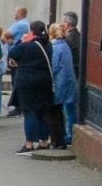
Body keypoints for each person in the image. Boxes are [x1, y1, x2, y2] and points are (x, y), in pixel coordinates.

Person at [7, 20, 56, 154]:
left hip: (27, 82)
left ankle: (29, 144)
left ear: (32, 32)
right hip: (45, 81)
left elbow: (13, 53)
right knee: (43, 112)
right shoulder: (48, 45)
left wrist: (22, 40)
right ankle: (44, 142)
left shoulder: (26, 45)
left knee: (29, 112)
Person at [49, 22, 77, 148]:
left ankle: (64, 137)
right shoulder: (65, 45)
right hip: (69, 81)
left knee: (60, 111)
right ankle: (69, 134)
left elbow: (53, 67)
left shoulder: (55, 48)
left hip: (60, 83)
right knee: (70, 110)